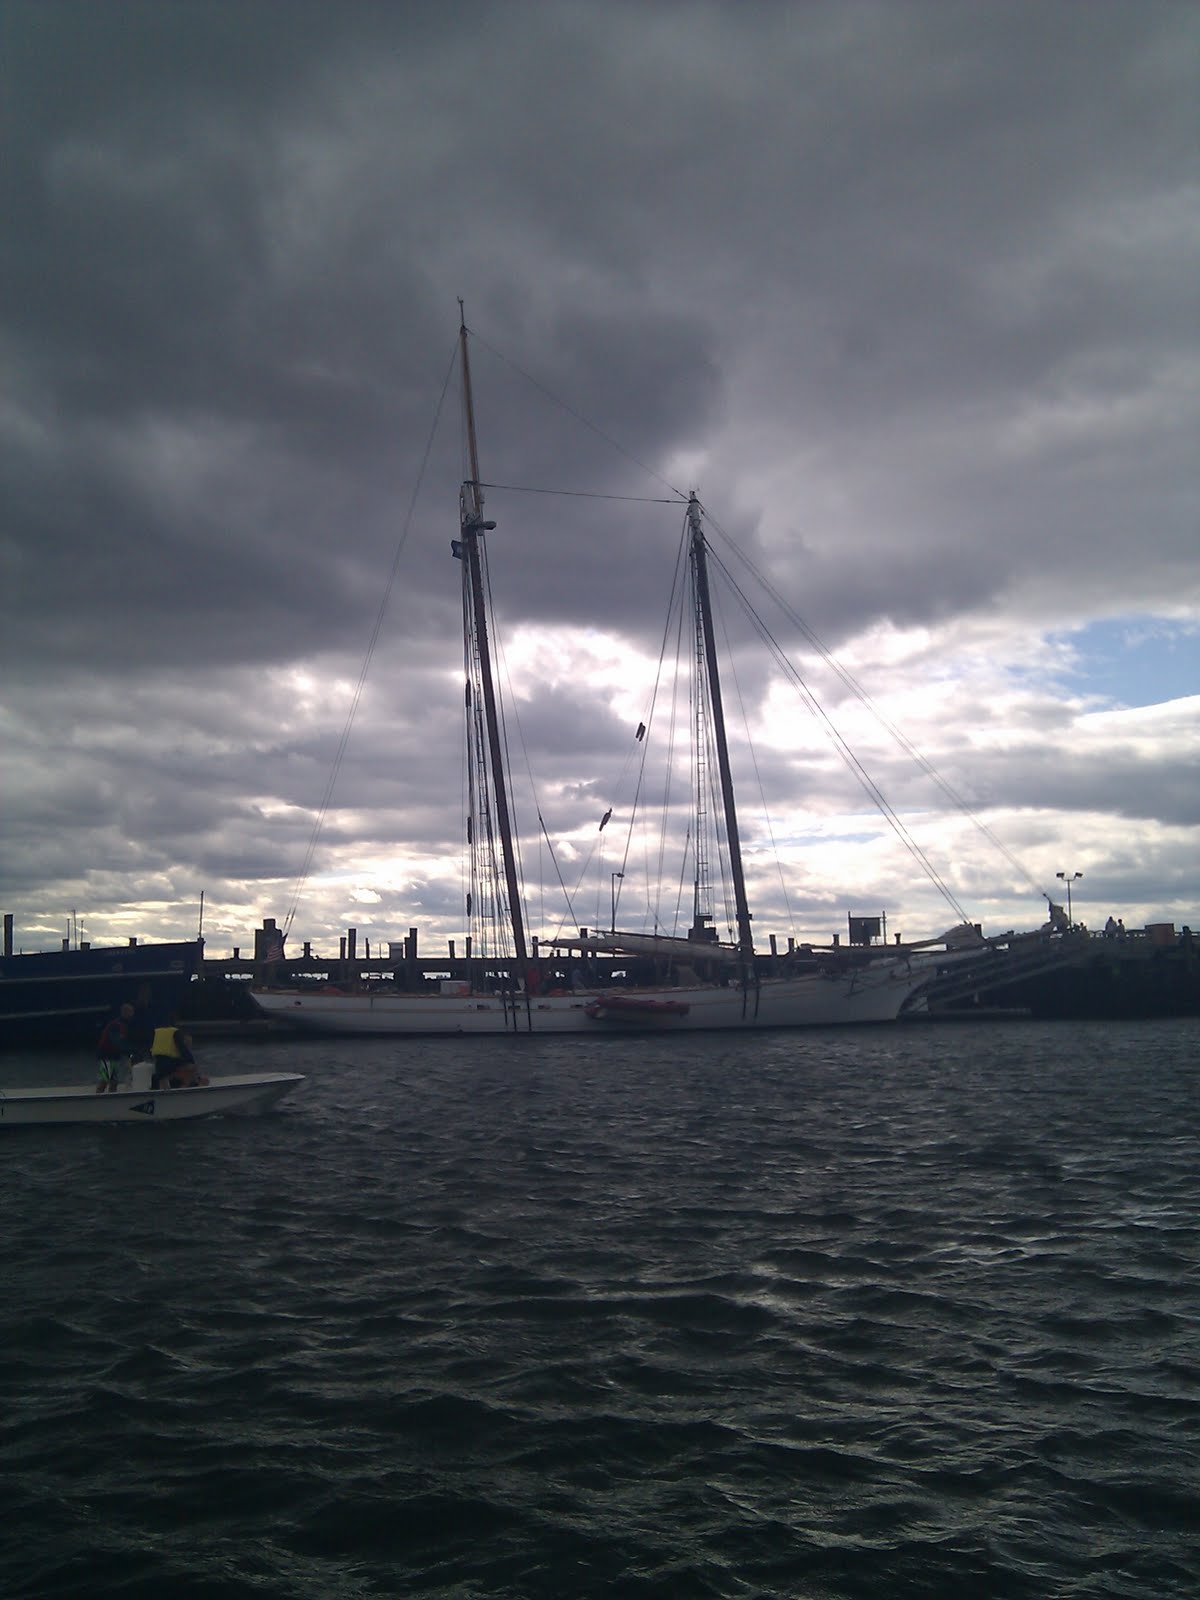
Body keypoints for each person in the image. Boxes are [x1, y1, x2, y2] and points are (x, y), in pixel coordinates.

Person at [151, 1017, 208, 1088]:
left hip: (159, 1067)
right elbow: (184, 1051)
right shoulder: (175, 1033)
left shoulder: (157, 1032)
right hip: (169, 1065)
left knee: (165, 1077)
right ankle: (186, 1088)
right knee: (191, 1067)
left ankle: (164, 1088)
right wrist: (192, 1062)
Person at [96, 1002, 135, 1094]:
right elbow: (117, 1041)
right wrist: (129, 1052)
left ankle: (111, 1097)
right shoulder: (116, 1025)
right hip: (106, 1055)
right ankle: (97, 1097)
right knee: (105, 1079)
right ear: (125, 1013)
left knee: (114, 1081)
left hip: (114, 1056)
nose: (133, 1014)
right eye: (131, 1012)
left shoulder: (123, 1025)